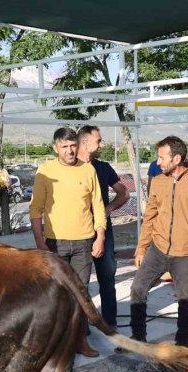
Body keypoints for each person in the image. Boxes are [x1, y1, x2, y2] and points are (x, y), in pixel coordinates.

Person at [130, 136, 188, 347]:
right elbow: (150, 217)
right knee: (137, 289)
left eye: (162, 158)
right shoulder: (158, 181)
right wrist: (141, 247)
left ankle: (182, 343)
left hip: (186, 254)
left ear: (176, 158)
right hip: (157, 249)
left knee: (185, 298)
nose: (158, 162)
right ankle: (138, 337)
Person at [30, 127, 106, 287]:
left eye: (73, 145)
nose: (70, 151)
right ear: (55, 148)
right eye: (64, 146)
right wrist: (39, 241)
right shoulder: (45, 171)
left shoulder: (88, 170)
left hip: (84, 243)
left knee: (80, 290)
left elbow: (98, 205)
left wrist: (100, 237)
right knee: (56, 291)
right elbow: (36, 208)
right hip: (55, 243)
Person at [77, 125, 129, 328]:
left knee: (107, 278)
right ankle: (81, 327)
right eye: (98, 141)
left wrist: (107, 209)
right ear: (84, 142)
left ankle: (110, 324)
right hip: (77, 234)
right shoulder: (71, 169)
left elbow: (123, 192)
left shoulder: (103, 168)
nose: (102, 144)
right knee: (79, 282)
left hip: (103, 233)